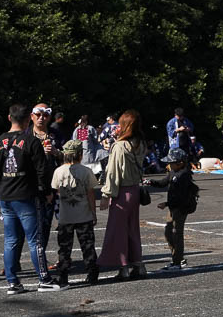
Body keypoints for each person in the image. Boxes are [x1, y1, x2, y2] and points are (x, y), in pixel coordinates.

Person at [0, 104, 56, 295]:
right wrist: (46, 192)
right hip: (26, 195)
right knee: (35, 240)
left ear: (9, 117)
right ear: (29, 119)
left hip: (6, 196)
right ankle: (44, 279)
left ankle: (12, 282)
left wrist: (2, 189)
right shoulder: (31, 141)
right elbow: (42, 170)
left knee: (11, 240)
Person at [99, 110, 148, 280]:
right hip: (134, 191)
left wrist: (106, 194)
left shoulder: (120, 146)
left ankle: (123, 266)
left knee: (118, 230)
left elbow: (113, 173)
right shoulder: (141, 143)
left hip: (122, 192)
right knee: (133, 230)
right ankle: (138, 264)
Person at [49, 140, 99, 287]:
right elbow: (90, 194)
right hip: (83, 215)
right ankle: (92, 273)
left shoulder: (58, 171)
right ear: (80, 154)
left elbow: (56, 191)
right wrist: (93, 212)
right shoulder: (86, 171)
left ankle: (63, 275)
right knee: (88, 246)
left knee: (64, 248)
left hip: (66, 216)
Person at [30, 103, 63, 268]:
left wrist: (56, 152)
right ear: (32, 116)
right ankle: (13, 263)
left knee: (46, 223)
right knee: (23, 226)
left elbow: (69, 156)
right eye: (38, 114)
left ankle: (42, 258)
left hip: (51, 186)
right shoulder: (25, 134)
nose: (41, 118)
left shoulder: (55, 134)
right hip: (29, 186)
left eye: (45, 115)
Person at [160, 149, 200, 270]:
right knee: (168, 232)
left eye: (171, 162)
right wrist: (149, 182)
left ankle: (178, 261)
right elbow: (163, 182)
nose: (169, 164)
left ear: (180, 163)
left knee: (176, 233)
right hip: (173, 207)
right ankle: (177, 258)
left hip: (181, 208)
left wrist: (166, 203)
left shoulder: (184, 175)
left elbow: (181, 197)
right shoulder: (173, 172)